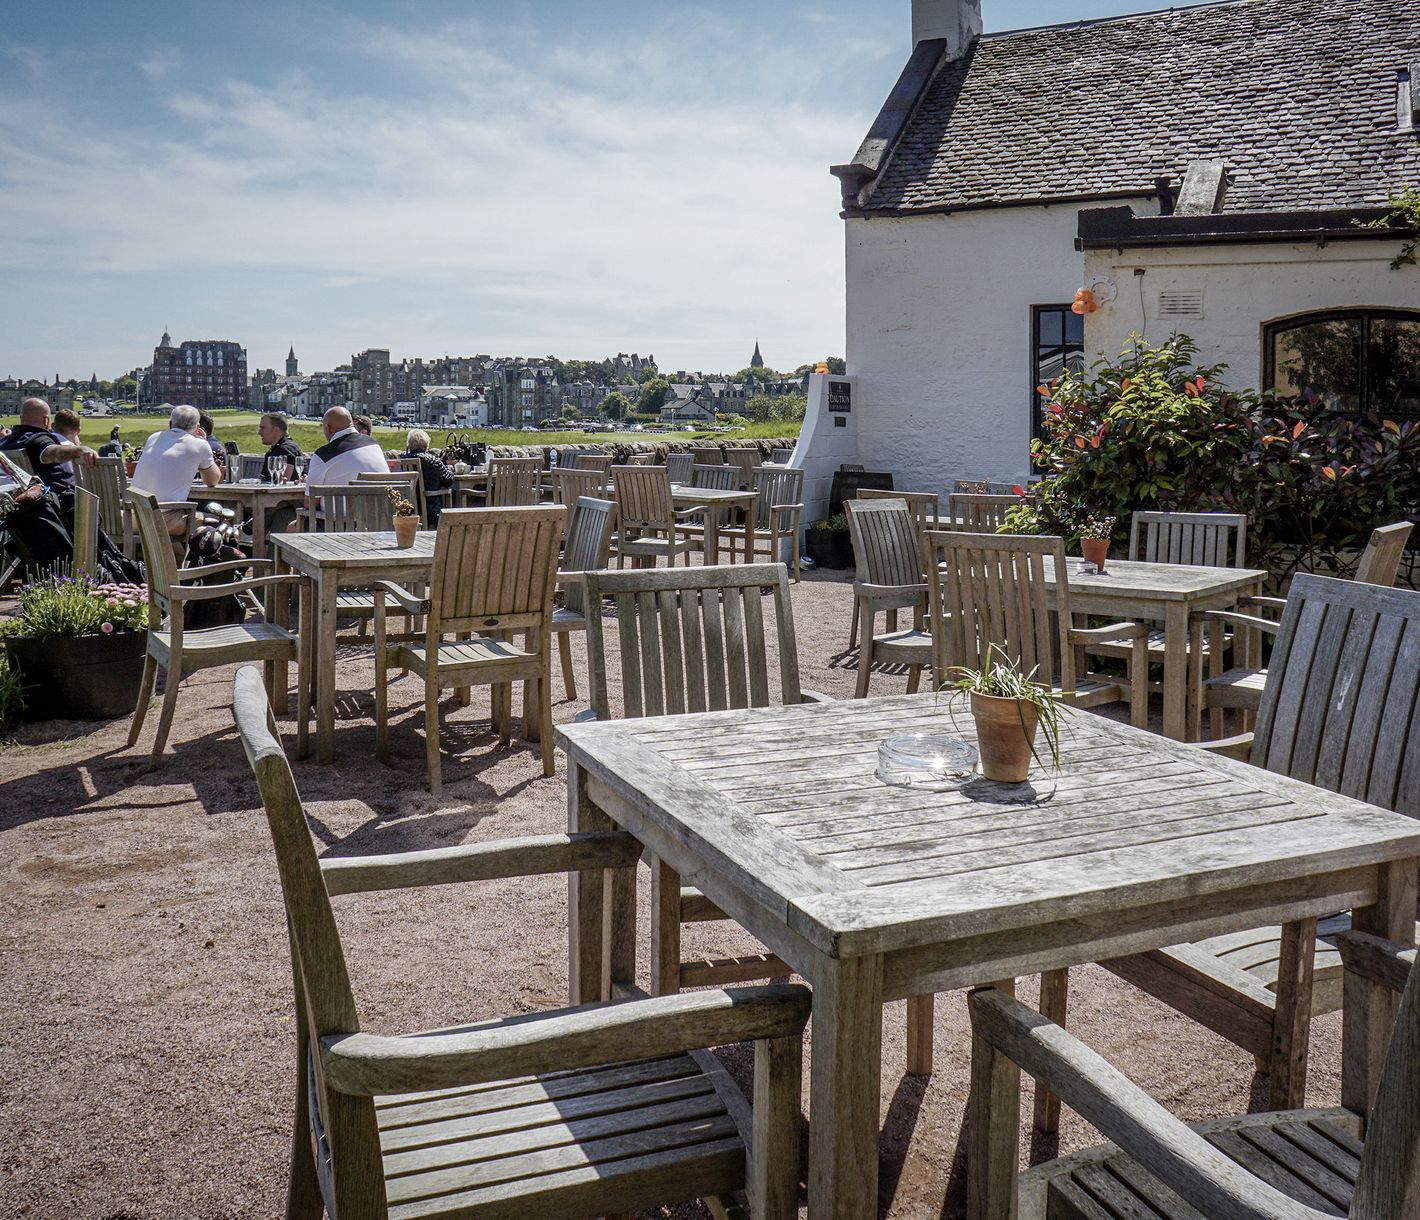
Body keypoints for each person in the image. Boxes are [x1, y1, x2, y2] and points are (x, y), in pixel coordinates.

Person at [130, 404, 221, 554]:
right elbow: (212, 480)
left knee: (180, 519)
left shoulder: (153, 438)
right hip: (162, 520)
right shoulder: (200, 445)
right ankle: (198, 569)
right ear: (197, 426)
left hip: (134, 516)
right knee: (211, 519)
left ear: (170, 423)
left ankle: (176, 565)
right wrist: (203, 443)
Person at [0, 397, 97, 517]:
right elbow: (53, 452)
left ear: (21, 418)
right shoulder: (38, 439)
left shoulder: (4, 442)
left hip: (19, 512)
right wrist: (81, 450)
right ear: (46, 420)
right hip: (57, 510)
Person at [304, 406, 387, 491]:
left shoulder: (322, 456)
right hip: (383, 503)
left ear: (329, 428)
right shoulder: (374, 445)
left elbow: (310, 500)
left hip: (341, 504)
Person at [400, 429, 452, 524]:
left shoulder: (402, 461)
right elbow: (448, 480)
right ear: (426, 445)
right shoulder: (432, 460)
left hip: (407, 509)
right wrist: (449, 468)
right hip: (431, 511)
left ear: (409, 445)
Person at [257, 412, 303, 483]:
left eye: (263, 428)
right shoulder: (276, 449)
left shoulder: (286, 449)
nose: (259, 432)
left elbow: (283, 482)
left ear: (276, 430)